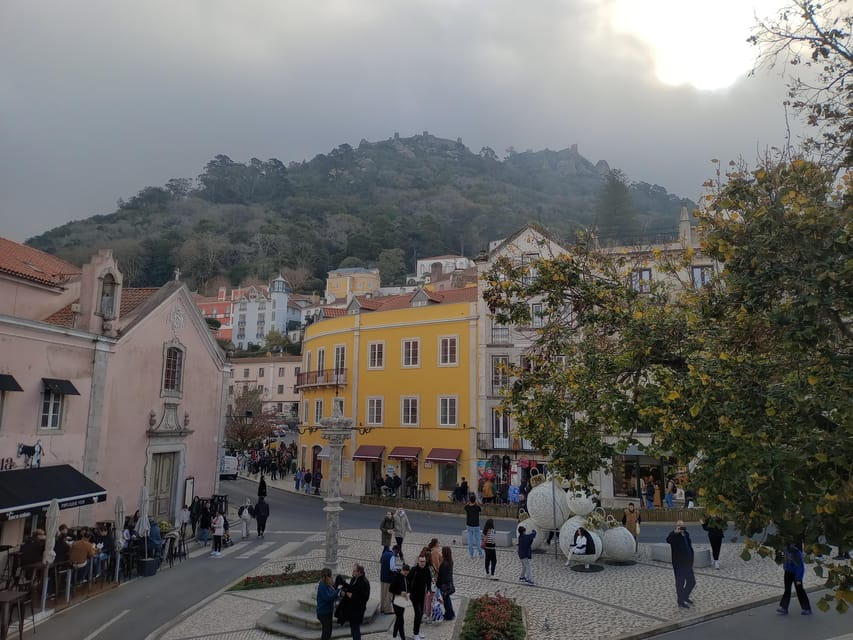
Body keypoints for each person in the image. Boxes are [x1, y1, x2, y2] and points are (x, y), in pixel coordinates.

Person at [666, 520, 696, 608]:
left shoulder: (686, 534)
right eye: (679, 525)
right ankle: (680, 601)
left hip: (688, 563)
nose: (680, 527)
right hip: (679, 564)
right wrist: (675, 532)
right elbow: (668, 540)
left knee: (691, 582)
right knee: (680, 583)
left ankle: (685, 596)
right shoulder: (674, 535)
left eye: (682, 525)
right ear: (676, 526)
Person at [777, 543, 812, 615]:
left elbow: (800, 567)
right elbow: (786, 559)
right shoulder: (786, 548)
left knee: (800, 591)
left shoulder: (796, 552)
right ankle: (784, 607)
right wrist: (785, 568)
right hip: (788, 572)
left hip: (796, 573)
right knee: (787, 590)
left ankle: (807, 608)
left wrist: (798, 578)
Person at [337, 563, 370, 640]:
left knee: (355, 630)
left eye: (354, 571)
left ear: (359, 572)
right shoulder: (354, 578)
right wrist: (344, 584)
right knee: (353, 629)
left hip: (358, 610)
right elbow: (352, 588)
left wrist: (352, 596)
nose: (352, 572)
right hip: (352, 609)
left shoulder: (364, 582)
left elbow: (365, 598)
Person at [409, 555, 432, 640]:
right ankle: (415, 634)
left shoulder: (427, 570)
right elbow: (408, 580)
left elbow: (429, 580)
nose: (422, 563)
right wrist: (408, 592)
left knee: (421, 613)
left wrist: (429, 589)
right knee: (418, 613)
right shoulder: (414, 570)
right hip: (414, 596)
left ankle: (418, 631)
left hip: (422, 595)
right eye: (421, 561)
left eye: (424, 561)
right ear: (418, 561)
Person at [389, 563, 412, 640]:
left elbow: (408, 587)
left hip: (403, 601)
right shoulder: (396, 577)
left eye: (407, 572)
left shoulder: (407, 577)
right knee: (400, 619)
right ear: (402, 570)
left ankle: (394, 635)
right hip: (396, 601)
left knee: (399, 618)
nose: (406, 573)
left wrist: (408, 593)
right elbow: (391, 589)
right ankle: (402, 636)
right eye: (405, 572)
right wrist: (400, 592)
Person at [316, 567, 338, 640]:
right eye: (331, 576)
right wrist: (337, 591)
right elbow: (328, 598)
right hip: (323, 613)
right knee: (326, 632)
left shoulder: (327, 584)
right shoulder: (322, 585)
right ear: (327, 576)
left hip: (328, 612)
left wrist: (338, 594)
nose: (332, 577)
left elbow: (332, 596)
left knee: (328, 632)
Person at [437, 546, 456, 621]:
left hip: (444, 585)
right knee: (448, 599)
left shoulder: (444, 564)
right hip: (449, 584)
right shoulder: (450, 561)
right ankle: (451, 613)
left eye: (442, 552)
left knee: (446, 601)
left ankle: (449, 615)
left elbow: (442, 576)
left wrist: (439, 584)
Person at [464, 494, 484, 559]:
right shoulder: (477, 507)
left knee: (470, 540)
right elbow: (480, 509)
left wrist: (469, 502)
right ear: (475, 500)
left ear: (469, 500)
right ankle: (480, 554)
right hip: (476, 525)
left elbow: (465, 506)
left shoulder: (467, 507)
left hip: (469, 525)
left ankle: (471, 555)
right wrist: (476, 502)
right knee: (478, 540)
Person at [379, 545, 395, 614]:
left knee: (383, 594)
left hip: (383, 577)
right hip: (389, 578)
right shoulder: (392, 556)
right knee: (389, 594)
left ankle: (382, 608)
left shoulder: (384, 554)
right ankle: (387, 609)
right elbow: (392, 568)